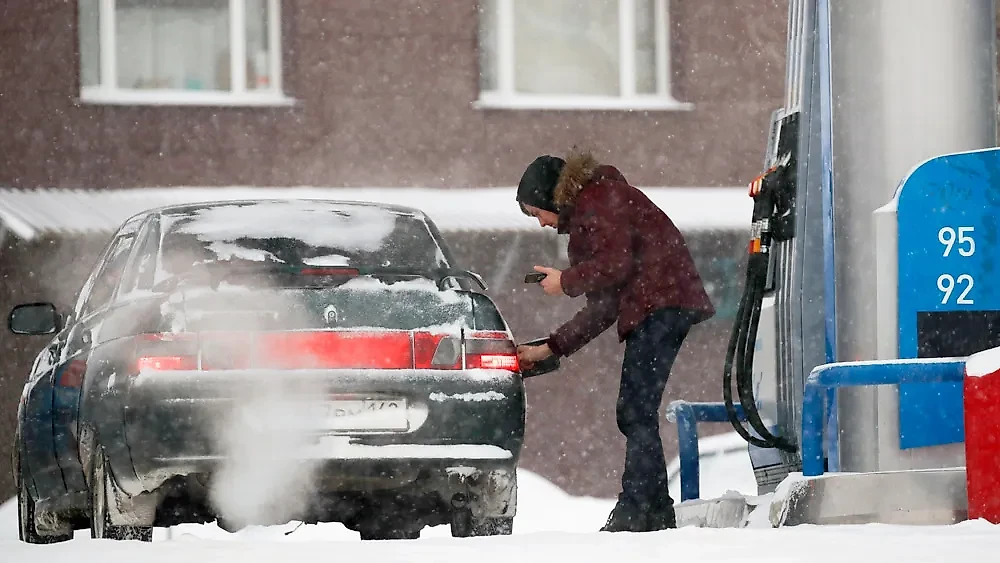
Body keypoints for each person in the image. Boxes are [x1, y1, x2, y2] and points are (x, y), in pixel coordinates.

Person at [514, 149, 715, 533]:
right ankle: (653, 511)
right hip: (660, 306)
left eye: (535, 213)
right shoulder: (590, 216)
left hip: (664, 304)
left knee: (635, 410)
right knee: (635, 409)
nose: (539, 224)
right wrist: (550, 347)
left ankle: (636, 509)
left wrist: (566, 281)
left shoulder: (601, 199)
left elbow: (615, 265)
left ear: (548, 197)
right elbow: (603, 306)